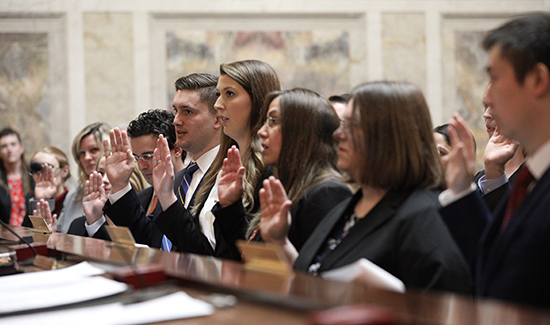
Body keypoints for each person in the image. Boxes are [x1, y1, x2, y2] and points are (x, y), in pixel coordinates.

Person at [261, 81, 471, 294]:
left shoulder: (423, 217)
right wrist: (280, 241)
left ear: (389, 137)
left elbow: (444, 304)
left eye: (352, 125)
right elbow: (314, 279)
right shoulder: (346, 208)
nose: (337, 134)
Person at [439, 12, 550, 308]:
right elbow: (499, 268)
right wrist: (462, 191)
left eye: (495, 78)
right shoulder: (535, 175)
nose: (488, 100)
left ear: (538, 80)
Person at [154, 60, 280, 260]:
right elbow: (202, 251)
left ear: (257, 100)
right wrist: (167, 197)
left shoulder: (271, 171)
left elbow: (252, 257)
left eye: (229, 94)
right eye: (219, 94)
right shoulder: (220, 168)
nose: (218, 105)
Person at [103, 73, 221, 252]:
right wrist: (120, 185)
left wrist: (167, 200)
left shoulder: (230, 173)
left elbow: (209, 255)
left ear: (218, 118)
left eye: (187, 111)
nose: (176, 121)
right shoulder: (180, 178)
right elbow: (152, 241)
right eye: (176, 111)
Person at [227, 88, 352, 252]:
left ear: (301, 131)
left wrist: (280, 241)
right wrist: (230, 204)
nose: (261, 132)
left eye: (273, 121)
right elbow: (249, 257)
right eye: (265, 121)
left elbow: (315, 274)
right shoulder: (284, 185)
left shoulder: (328, 194)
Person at [85, 109, 185, 247]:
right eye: (137, 157)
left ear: (177, 150)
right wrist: (120, 184)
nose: (141, 166)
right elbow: (137, 246)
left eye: (148, 156)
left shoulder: (191, 189)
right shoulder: (140, 199)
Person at [473, 102, 526, 213]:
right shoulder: (480, 178)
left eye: (494, 106)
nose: (486, 114)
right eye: (485, 106)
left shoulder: (533, 175)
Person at [22, 146, 71, 227]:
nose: (42, 174)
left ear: (64, 171)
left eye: (49, 167)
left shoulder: (73, 201)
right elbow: (26, 234)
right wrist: (40, 200)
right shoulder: (31, 200)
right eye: (37, 168)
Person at [0, 127, 34, 226]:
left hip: (30, 234)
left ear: (21, 148)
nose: (9, 149)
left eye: (13, 144)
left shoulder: (33, 177)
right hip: (4, 237)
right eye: (4, 146)